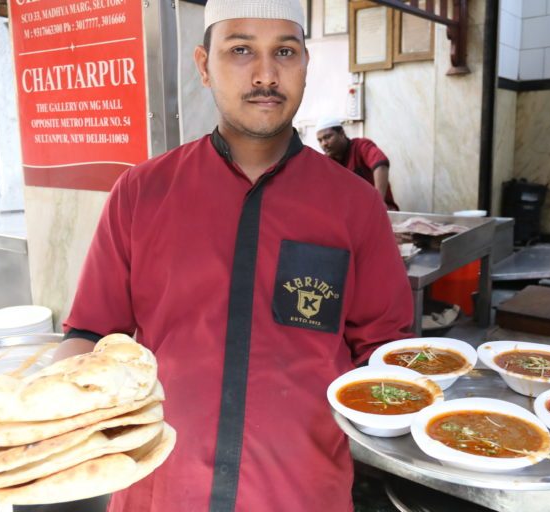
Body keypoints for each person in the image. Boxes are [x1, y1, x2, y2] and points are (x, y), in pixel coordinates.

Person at [54, 1, 413, 511]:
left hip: (302, 492)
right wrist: (35, 423)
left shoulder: (354, 203)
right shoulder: (142, 192)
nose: (266, 74)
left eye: (284, 52)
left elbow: (385, 350)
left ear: (305, 64)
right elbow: (89, 333)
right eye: (240, 49)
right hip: (160, 489)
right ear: (204, 65)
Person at [315, 117, 400, 211]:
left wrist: (379, 202)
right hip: (353, 215)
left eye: (327, 137)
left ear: (341, 133)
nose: (324, 144)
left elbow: (380, 164)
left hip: (381, 211)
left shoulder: (361, 146)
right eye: (320, 140)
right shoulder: (326, 162)